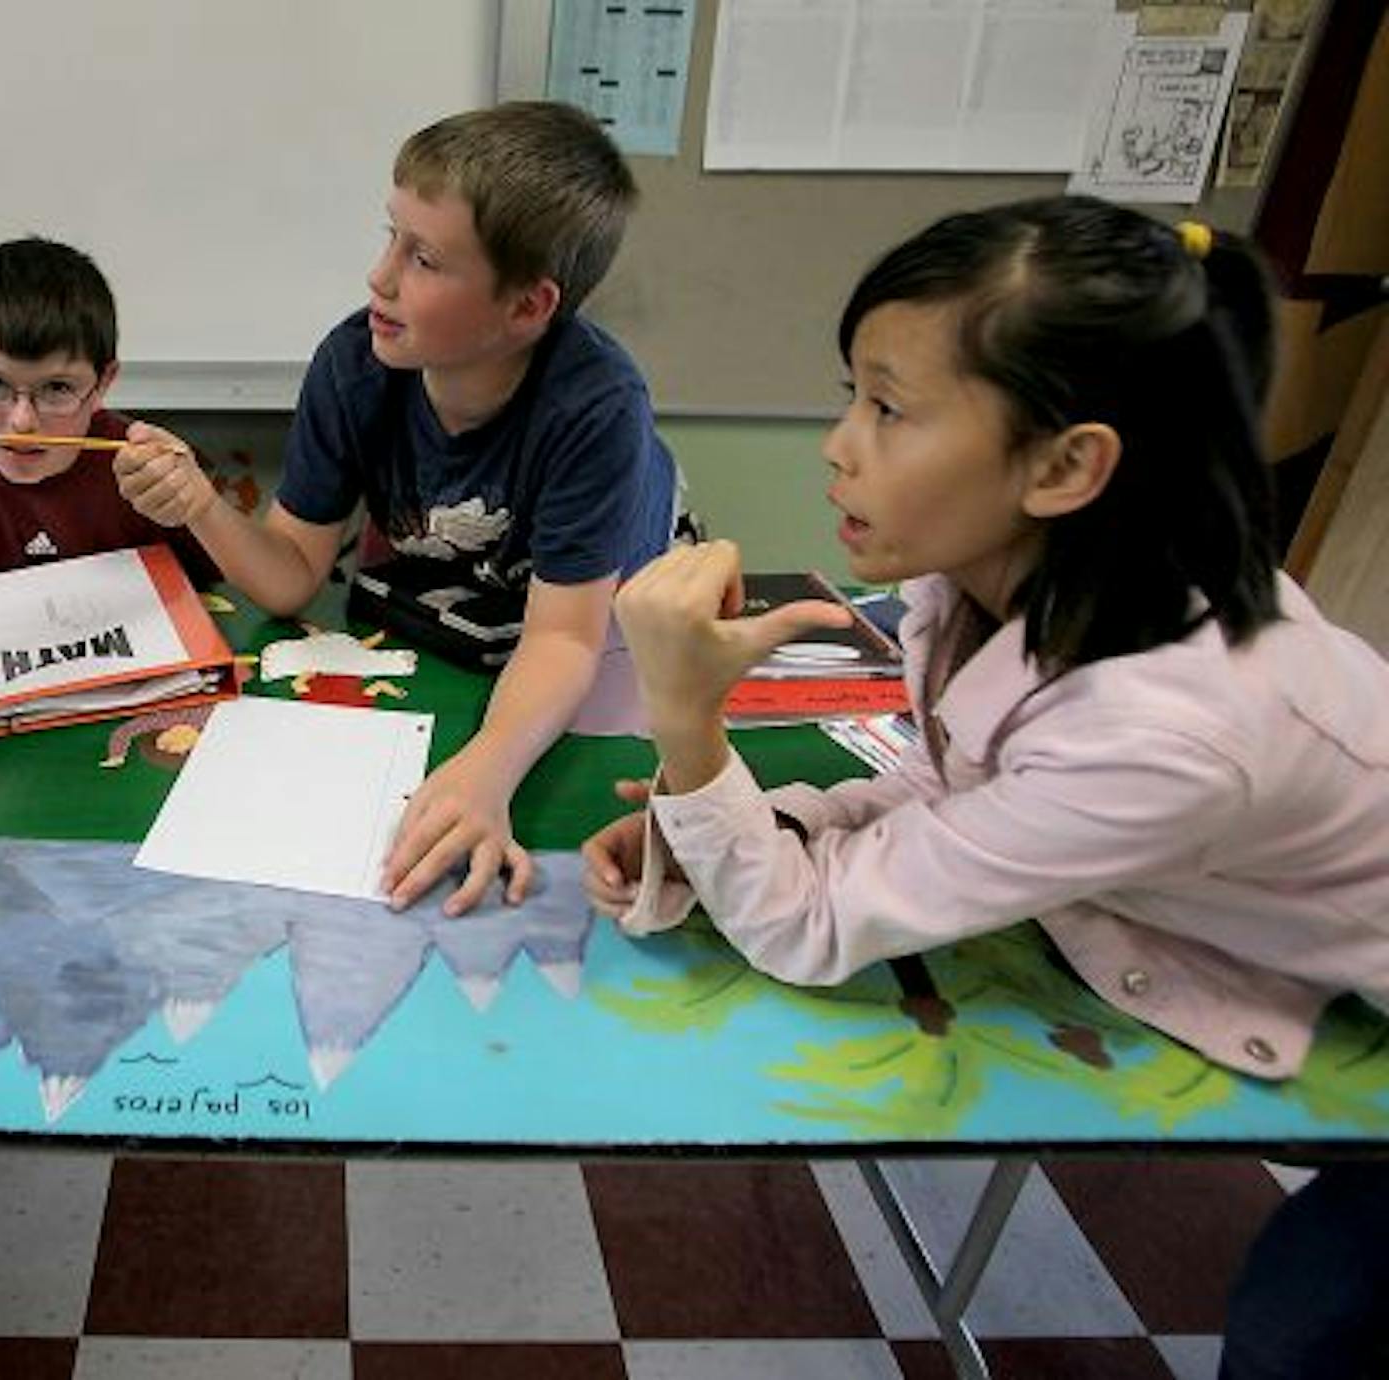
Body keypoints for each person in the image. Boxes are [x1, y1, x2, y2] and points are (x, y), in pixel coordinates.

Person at [582, 196, 1389, 1375]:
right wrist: (728, 820)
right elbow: (947, 786)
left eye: (890, 407)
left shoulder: (1161, 729)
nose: (839, 442)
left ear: (1066, 466)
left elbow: (809, 931)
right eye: (853, 393)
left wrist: (688, 723)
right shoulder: (992, 585)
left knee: (1300, 1332)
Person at [114, 101, 678, 916]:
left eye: (424, 258)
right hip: (447, 617)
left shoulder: (597, 408)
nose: (379, 277)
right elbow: (288, 579)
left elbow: (562, 636)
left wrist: (488, 769)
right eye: (390, 236)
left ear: (526, 307)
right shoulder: (354, 364)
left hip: (593, 619)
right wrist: (200, 502)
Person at [0, 236, 217, 585]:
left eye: (57, 388)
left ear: (103, 383)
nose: (23, 421)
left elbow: (218, 604)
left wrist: (200, 508)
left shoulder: (156, 476)